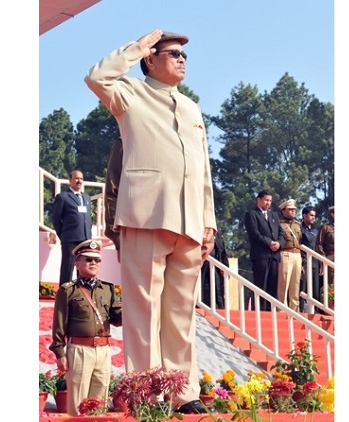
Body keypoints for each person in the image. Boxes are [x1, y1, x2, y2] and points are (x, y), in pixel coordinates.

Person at [83, 29, 217, 414]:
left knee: (181, 313)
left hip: (189, 221)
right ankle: (146, 392)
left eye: (184, 55)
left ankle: (183, 393)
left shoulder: (191, 108)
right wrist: (134, 48)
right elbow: (96, 77)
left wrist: (209, 221)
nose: (181, 59)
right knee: (142, 310)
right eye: (172, 53)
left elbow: (203, 171)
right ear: (150, 60)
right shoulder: (129, 94)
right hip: (145, 215)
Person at [49, 239, 123, 415]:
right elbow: (58, 323)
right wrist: (60, 353)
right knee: (78, 401)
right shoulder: (68, 290)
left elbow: (117, 319)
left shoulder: (108, 289)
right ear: (77, 263)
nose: (93, 263)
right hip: (80, 350)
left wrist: (131, 308)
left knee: (100, 399)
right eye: (88, 259)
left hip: (103, 350)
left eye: (97, 260)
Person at [244, 190, 284, 311]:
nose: (268, 203)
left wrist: (279, 243)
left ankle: (270, 309)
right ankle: (259, 309)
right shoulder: (252, 214)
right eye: (266, 200)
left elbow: (281, 233)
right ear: (259, 199)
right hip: (261, 255)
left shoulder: (274, 215)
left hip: (274, 255)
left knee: (272, 284)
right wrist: (269, 242)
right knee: (261, 283)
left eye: (270, 201)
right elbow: (254, 234)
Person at [52, 170, 93, 285]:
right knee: (68, 268)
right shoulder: (63, 197)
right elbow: (56, 219)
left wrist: (89, 237)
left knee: (84, 269)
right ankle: (64, 297)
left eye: (81, 178)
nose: (79, 181)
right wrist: (63, 235)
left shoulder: (87, 198)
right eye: (76, 178)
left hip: (85, 240)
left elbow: (87, 219)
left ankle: (81, 295)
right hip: (70, 240)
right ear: (70, 180)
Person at [276, 199, 303, 311]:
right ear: (283, 211)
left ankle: (294, 309)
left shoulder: (298, 224)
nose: (293, 212)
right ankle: (282, 308)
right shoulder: (279, 223)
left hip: (297, 253)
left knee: (296, 283)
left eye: (294, 210)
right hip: (285, 253)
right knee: (284, 283)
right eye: (290, 209)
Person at [200, 230, 230, 309]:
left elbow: (223, 253)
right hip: (203, 268)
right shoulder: (200, 230)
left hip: (216, 271)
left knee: (217, 291)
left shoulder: (218, 235)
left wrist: (225, 266)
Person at [103, 137, 123, 256]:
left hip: (183, 237)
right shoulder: (126, 142)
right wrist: (116, 236)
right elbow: (112, 190)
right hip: (140, 235)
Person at [300, 206, 321, 312]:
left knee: (315, 291)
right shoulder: (299, 229)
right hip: (303, 262)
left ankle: (315, 313)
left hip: (315, 264)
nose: (313, 218)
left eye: (314, 216)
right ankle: (300, 312)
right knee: (302, 289)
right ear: (304, 215)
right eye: (311, 215)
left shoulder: (316, 231)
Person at [316, 205, 335, 297]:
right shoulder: (326, 228)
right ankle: (329, 305)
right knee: (330, 282)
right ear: (333, 214)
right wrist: (323, 259)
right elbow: (319, 244)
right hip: (330, 257)